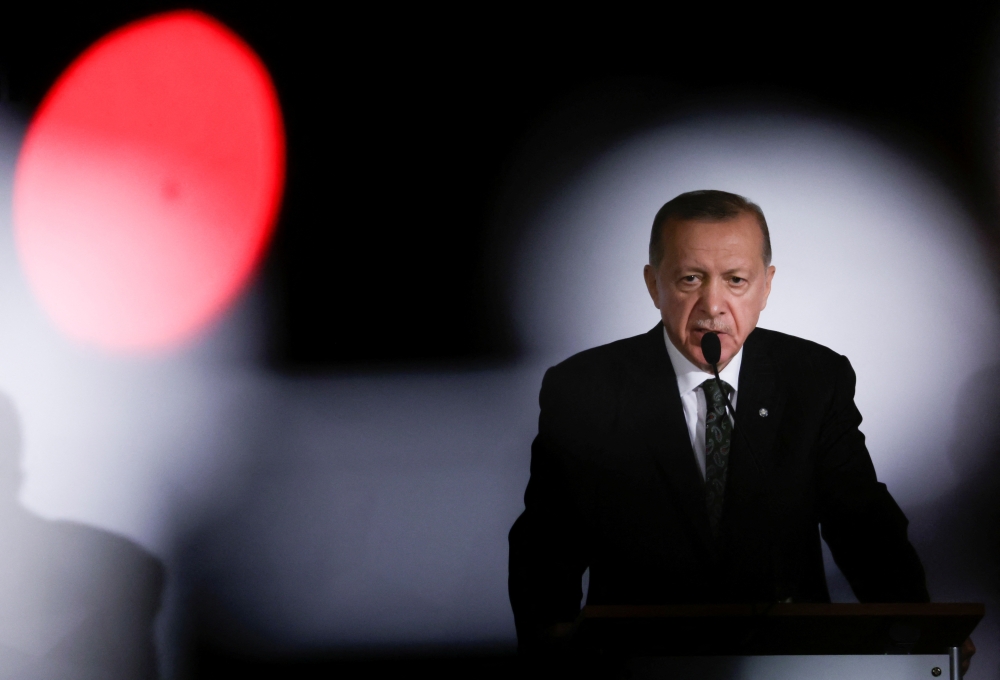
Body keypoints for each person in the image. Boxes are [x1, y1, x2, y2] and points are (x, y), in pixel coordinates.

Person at [508, 190, 974, 673]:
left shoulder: (814, 379)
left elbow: (862, 524)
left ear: (766, 286)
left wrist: (920, 629)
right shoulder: (585, 388)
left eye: (735, 280)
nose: (713, 305)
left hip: (789, 663)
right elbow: (546, 543)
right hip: (639, 663)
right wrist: (550, 653)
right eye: (690, 279)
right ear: (653, 285)